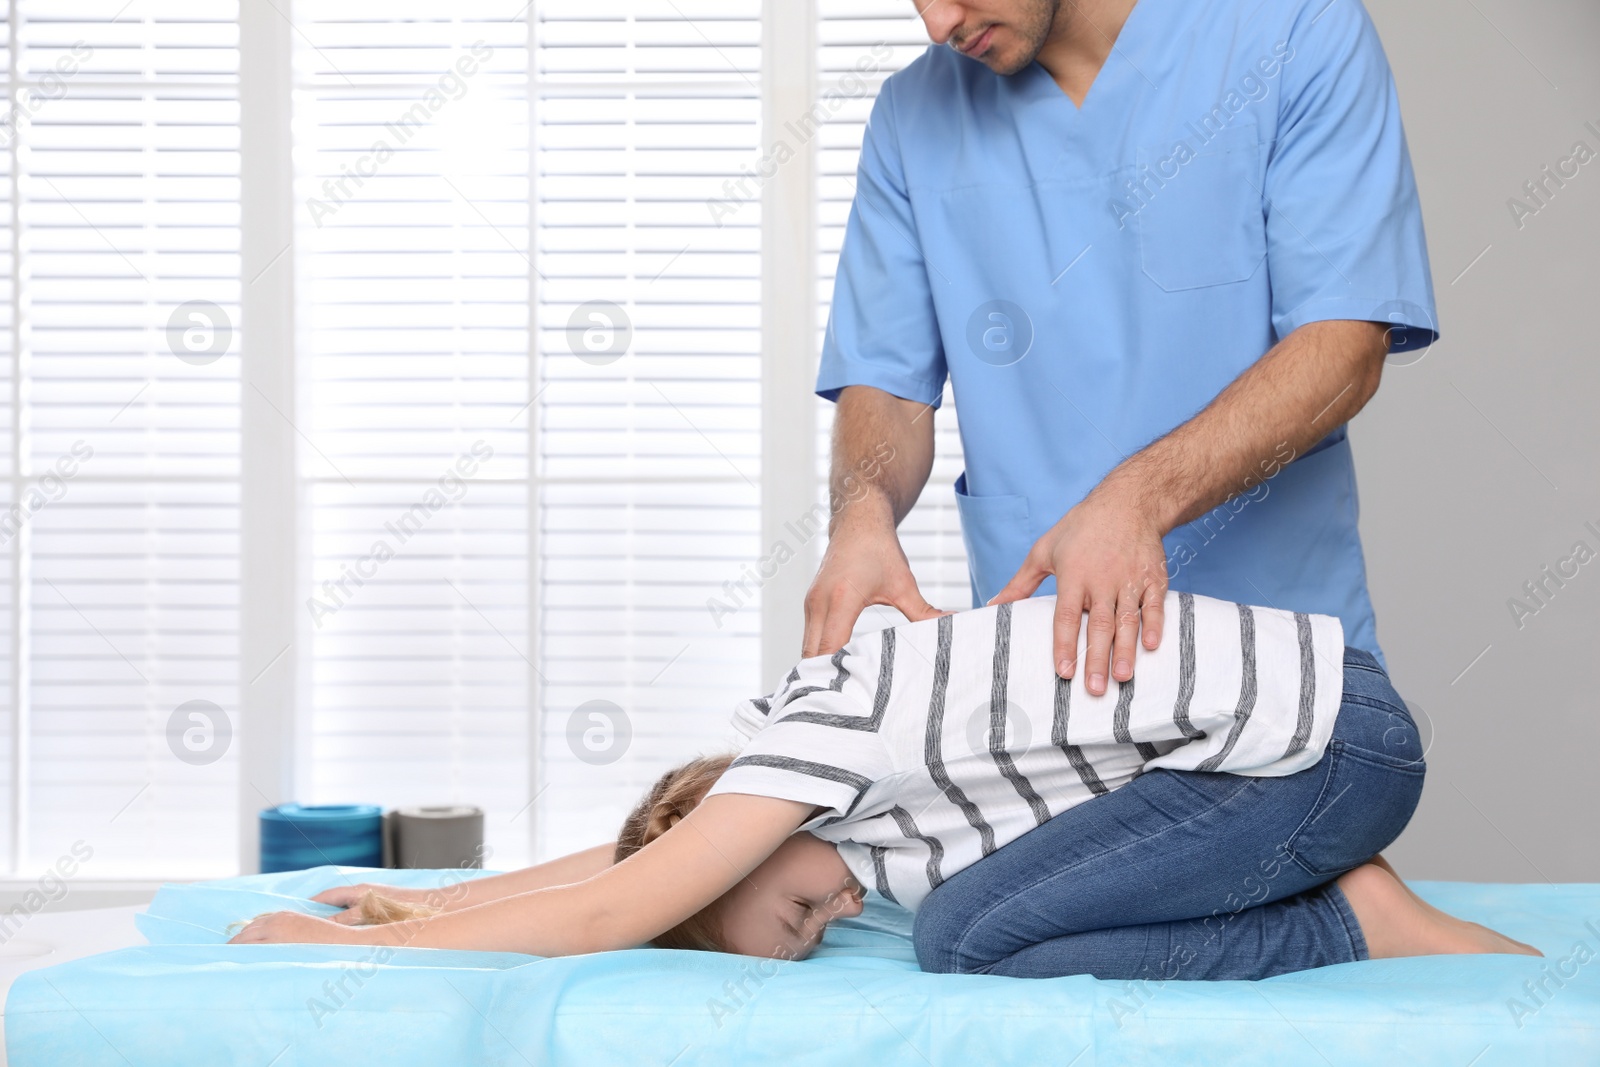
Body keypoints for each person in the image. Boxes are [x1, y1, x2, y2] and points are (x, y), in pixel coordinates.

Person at [230, 592, 1538, 979]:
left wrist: (328, 950)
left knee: (970, 939)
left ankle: (1351, 916)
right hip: (1305, 737)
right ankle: (1333, 878)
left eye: (798, 916)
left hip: (1324, 748)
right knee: (966, 920)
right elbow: (619, 871)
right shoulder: (803, 768)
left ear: (724, 828)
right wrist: (411, 901)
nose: (844, 909)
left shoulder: (815, 751)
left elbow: (610, 909)